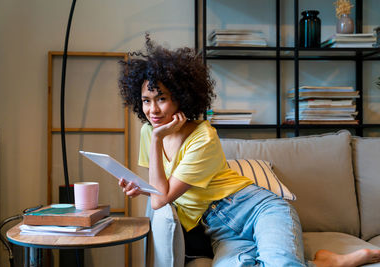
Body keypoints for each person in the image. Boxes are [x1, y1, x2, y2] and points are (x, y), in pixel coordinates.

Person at [118, 34, 380, 267]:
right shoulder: (151, 132)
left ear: (181, 96)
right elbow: (159, 192)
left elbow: (160, 198)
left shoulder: (202, 137)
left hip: (257, 209)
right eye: (146, 101)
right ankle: (326, 263)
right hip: (219, 231)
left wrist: (155, 142)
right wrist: (141, 185)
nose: (152, 110)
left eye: (161, 98)